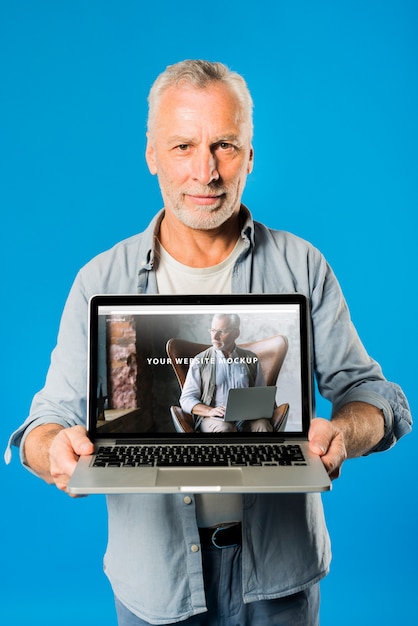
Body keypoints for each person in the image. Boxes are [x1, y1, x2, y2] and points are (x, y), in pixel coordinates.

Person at [5, 60, 412, 626]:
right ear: (151, 154)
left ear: (249, 155)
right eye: (182, 146)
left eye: (223, 145)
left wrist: (343, 431)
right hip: (157, 583)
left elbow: (377, 396)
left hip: (278, 578)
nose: (205, 171)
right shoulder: (103, 282)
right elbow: (47, 418)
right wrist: (51, 447)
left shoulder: (302, 267)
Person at [180, 312, 273, 432]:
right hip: (214, 418)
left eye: (221, 332)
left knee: (263, 426)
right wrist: (210, 411)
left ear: (236, 333)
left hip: (247, 418)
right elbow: (186, 399)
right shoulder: (200, 360)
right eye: (213, 330)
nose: (214, 337)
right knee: (225, 428)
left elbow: (261, 395)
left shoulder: (251, 358)